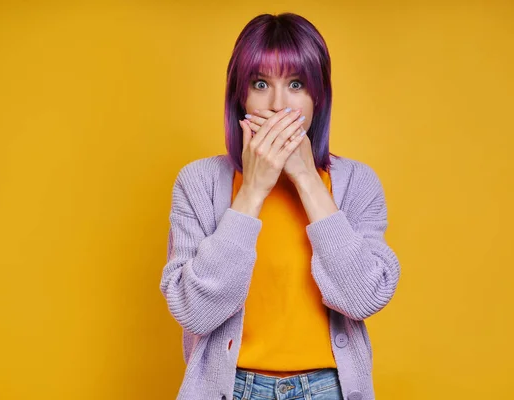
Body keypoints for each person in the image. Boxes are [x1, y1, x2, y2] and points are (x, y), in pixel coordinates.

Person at [160, 12, 400, 400]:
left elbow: (364, 298)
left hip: (329, 389)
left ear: (317, 96)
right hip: (232, 388)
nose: (277, 104)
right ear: (240, 96)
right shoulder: (199, 183)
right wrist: (252, 191)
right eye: (260, 84)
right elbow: (193, 311)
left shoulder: (356, 182)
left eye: (295, 84)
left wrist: (307, 180)